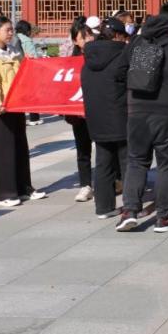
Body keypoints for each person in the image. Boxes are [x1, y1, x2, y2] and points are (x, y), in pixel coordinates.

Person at [116, 2, 168, 233]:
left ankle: (129, 211)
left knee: (136, 161)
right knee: (167, 165)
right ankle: (164, 217)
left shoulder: (136, 43)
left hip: (137, 112)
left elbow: (119, 73)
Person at [0, 15, 42, 207]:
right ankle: (3, 194)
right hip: (0, 110)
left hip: (16, 106)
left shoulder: (13, 53)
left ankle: (23, 188)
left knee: (20, 148)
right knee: (2, 152)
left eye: (11, 29)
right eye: (6, 30)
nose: (10, 33)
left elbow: (22, 76)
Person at [81, 17, 130, 219]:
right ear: (118, 35)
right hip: (122, 116)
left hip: (96, 118)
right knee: (128, 163)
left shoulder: (88, 58)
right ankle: (131, 207)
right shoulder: (124, 55)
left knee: (103, 163)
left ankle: (103, 207)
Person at [65, 18, 96, 203]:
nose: (88, 40)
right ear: (75, 41)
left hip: (99, 111)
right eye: (83, 37)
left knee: (107, 149)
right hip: (78, 114)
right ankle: (85, 185)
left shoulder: (101, 56)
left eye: (89, 35)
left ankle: (115, 179)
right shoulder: (71, 63)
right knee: (83, 150)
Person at [14, 20, 44, 126]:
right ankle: (34, 118)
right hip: (28, 71)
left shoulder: (13, 38)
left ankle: (18, 117)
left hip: (16, 69)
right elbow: (33, 57)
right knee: (33, 95)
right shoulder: (27, 40)